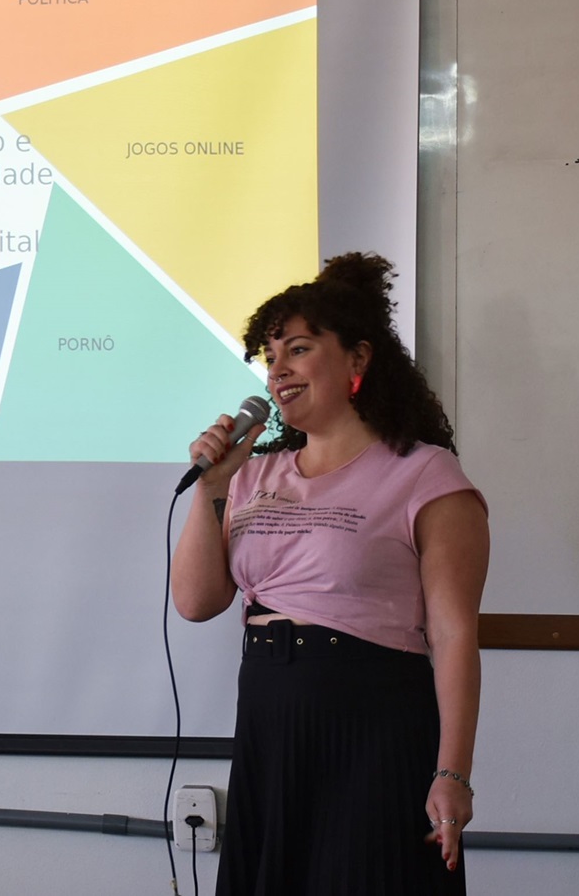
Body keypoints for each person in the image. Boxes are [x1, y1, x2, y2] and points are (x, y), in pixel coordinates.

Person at [171, 252, 490, 895]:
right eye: (270, 357)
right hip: (270, 721)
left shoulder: (424, 474)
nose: (278, 371)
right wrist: (212, 487)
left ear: (358, 359)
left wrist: (452, 773)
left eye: (298, 349)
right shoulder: (253, 474)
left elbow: (454, 634)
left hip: (372, 723)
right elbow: (196, 602)